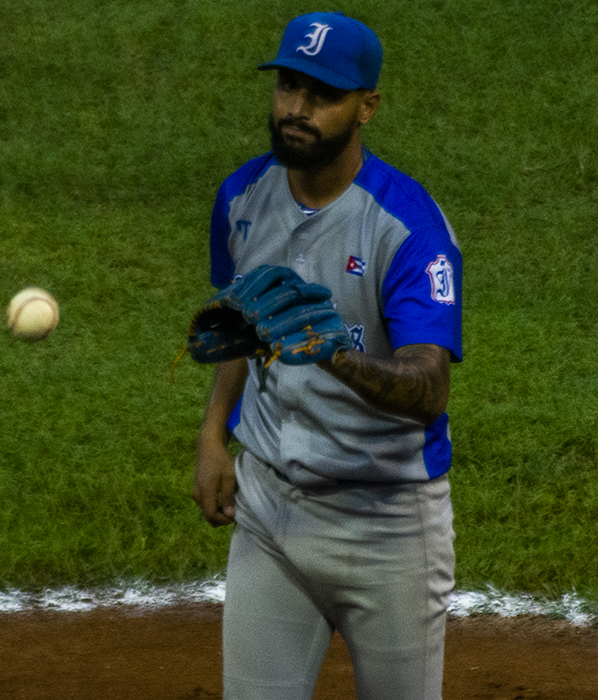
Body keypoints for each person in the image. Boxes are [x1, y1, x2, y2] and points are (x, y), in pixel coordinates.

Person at [193, 11, 462, 700]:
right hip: (270, 514)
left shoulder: (407, 229)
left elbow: (429, 388)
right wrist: (213, 435)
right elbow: (243, 330)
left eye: (321, 95)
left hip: (388, 526)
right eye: (287, 86)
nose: (295, 110)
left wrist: (335, 354)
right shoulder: (241, 198)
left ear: (366, 106)